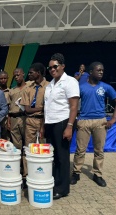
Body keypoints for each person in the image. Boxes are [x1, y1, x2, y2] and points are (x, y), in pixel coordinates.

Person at [71, 62, 116, 187]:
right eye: (98, 70)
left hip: (100, 121)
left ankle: (97, 174)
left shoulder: (105, 87)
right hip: (84, 121)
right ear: (90, 72)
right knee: (80, 150)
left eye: (102, 70)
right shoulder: (81, 87)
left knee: (99, 150)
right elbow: (73, 104)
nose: (101, 72)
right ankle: (76, 172)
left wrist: (113, 119)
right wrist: (74, 119)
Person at [43, 53, 79, 200]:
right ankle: (54, 183)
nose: (52, 69)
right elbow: (47, 106)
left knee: (62, 157)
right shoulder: (50, 84)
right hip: (50, 123)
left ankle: (62, 189)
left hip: (63, 122)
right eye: (50, 67)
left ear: (63, 66)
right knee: (53, 156)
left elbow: (74, 106)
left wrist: (69, 126)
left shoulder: (70, 81)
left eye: (55, 66)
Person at [20, 63, 49, 178]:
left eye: (31, 72)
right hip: (30, 120)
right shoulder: (28, 88)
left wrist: (41, 110)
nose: (29, 74)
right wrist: (42, 108)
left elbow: (50, 108)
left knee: (43, 146)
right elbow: (27, 109)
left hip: (44, 120)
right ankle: (27, 174)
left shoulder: (49, 86)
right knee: (28, 148)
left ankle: (43, 172)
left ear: (39, 73)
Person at [7, 68, 27, 177]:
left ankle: (26, 171)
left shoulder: (29, 88)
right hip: (14, 118)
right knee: (16, 145)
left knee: (27, 144)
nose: (16, 77)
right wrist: (9, 121)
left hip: (25, 118)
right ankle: (18, 169)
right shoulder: (12, 90)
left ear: (23, 74)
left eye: (18, 75)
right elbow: (9, 107)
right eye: (15, 75)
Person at [0, 71, 10, 140]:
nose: (3, 80)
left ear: (8, 78)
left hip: (6, 120)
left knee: (6, 139)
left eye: (5, 78)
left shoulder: (10, 92)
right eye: (1, 78)